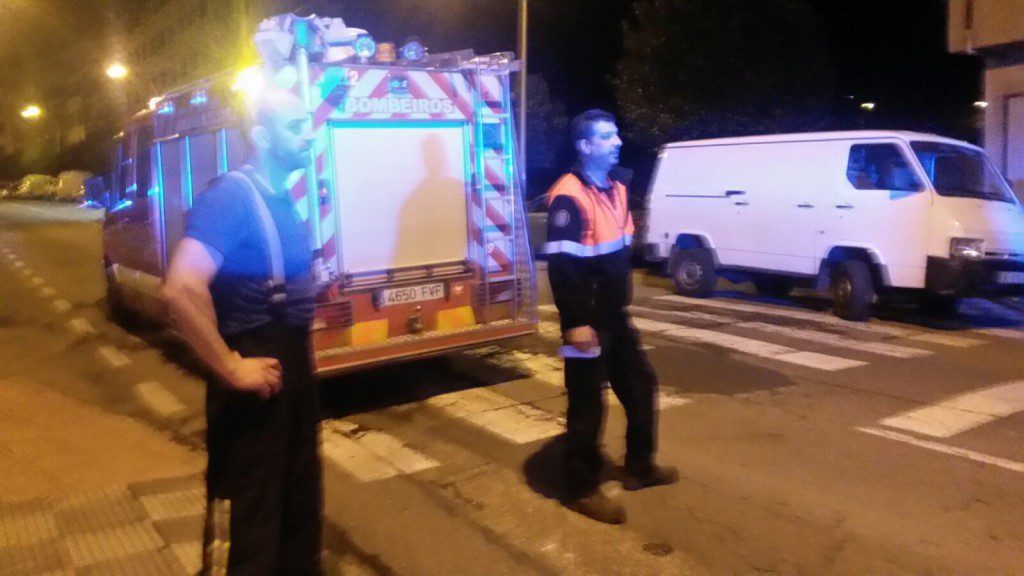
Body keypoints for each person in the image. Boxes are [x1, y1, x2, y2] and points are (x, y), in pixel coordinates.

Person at [161, 86, 322, 574]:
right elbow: (180, 287)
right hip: (255, 389)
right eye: (296, 126)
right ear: (262, 136)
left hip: (291, 377)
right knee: (250, 525)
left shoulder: (281, 198)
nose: (309, 134)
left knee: (297, 513)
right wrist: (230, 366)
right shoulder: (232, 195)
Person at [543, 109, 678, 524]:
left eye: (616, 133)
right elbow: (563, 267)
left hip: (614, 315)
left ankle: (640, 466)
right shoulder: (569, 196)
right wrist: (575, 323)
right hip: (584, 319)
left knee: (640, 385)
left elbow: (619, 245)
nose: (617, 141)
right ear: (585, 146)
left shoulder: (617, 187)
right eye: (606, 136)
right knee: (587, 401)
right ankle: (581, 487)